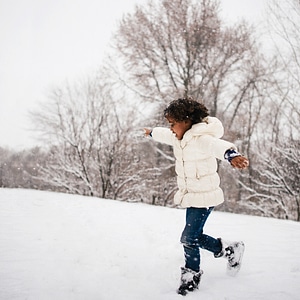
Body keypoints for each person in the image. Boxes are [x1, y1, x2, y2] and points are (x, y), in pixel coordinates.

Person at [144, 98, 249, 296]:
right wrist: (152, 133)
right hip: (192, 196)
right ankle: (230, 250)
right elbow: (166, 134)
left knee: (188, 237)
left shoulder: (201, 138)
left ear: (187, 121)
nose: (171, 128)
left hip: (205, 196)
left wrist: (231, 155)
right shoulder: (178, 137)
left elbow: (217, 146)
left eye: (173, 123)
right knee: (191, 237)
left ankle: (191, 275)